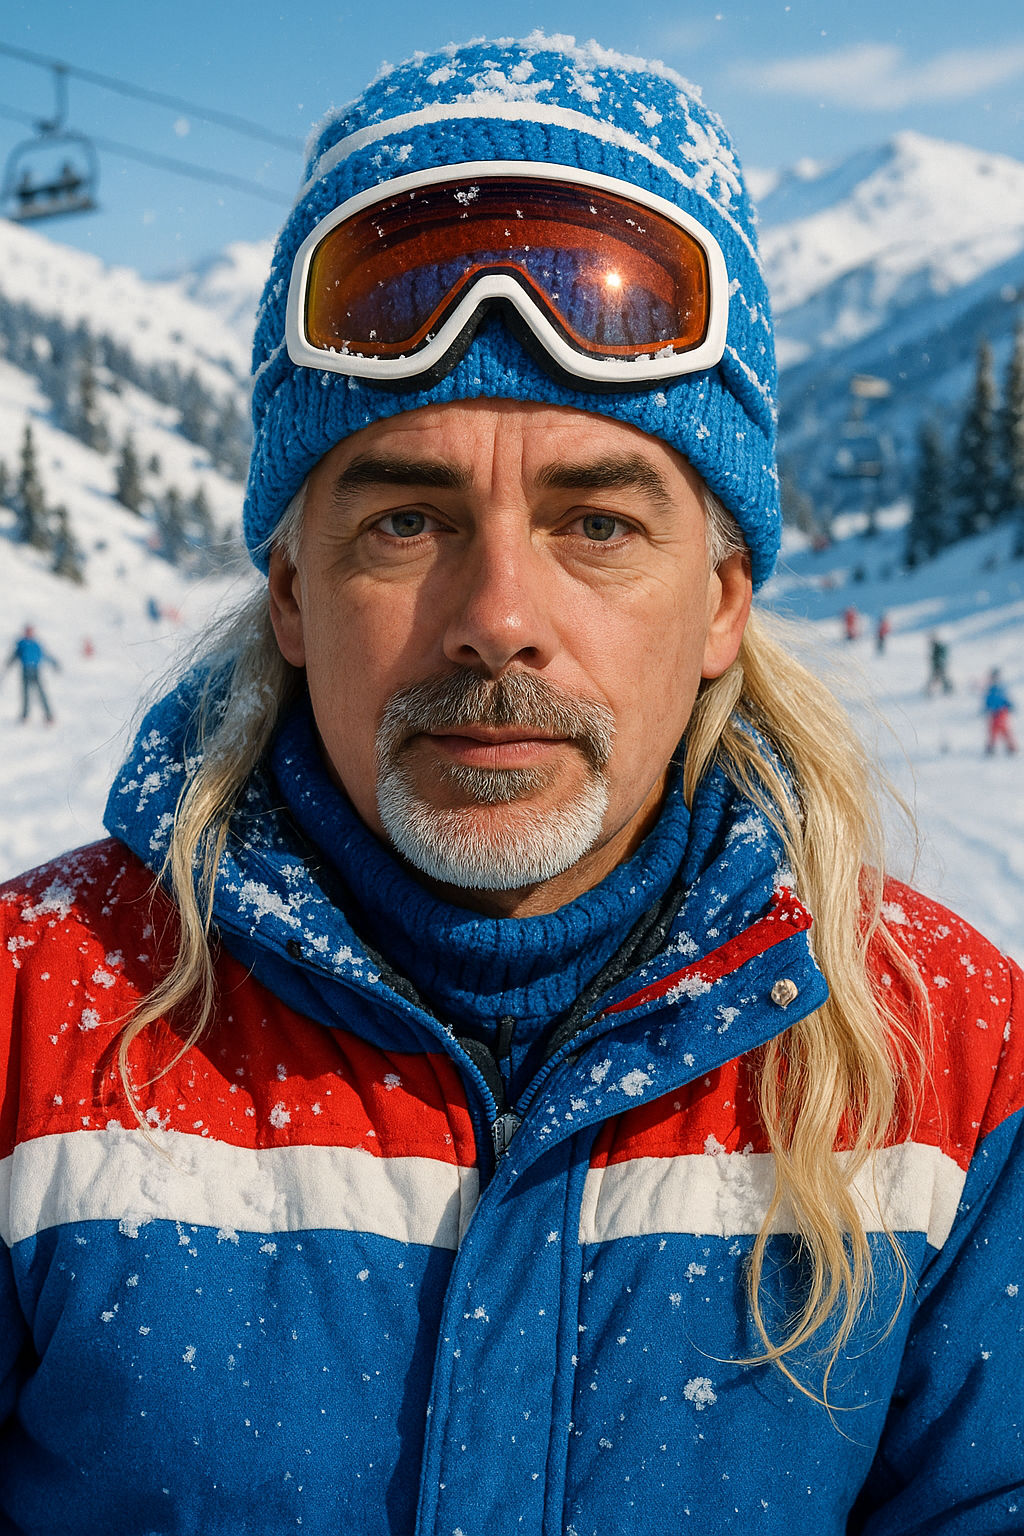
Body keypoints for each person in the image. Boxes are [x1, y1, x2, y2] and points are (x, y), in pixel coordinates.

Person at [0, 38, 1021, 1534]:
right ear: (290, 589)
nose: (498, 614)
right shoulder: (35, 1027)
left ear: (725, 595)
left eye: (597, 524)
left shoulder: (953, 1075)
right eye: (405, 520)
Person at [3, 624, 58, 723]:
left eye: (30, 631)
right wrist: (8, 664)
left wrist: (54, 663)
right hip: (25, 670)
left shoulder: (36, 644)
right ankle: (25, 716)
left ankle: (49, 716)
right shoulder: (22, 643)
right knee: (26, 694)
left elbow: (44, 655)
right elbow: (15, 655)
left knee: (41, 694)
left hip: (36, 671)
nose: (29, 633)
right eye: (27, 631)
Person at [984, 667, 1018, 755]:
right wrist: (986, 708)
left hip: (1002, 711)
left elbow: (1006, 699)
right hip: (994, 713)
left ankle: (1011, 747)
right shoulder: (991, 689)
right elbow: (988, 700)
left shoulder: (1001, 688)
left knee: (1003, 729)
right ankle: (991, 747)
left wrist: (1010, 705)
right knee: (993, 730)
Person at [926, 630, 953, 694]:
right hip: (938, 665)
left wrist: (940, 662)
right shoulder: (935, 646)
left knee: (942, 678)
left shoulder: (938, 646)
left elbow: (940, 656)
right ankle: (929, 691)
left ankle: (948, 689)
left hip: (940, 665)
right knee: (938, 678)